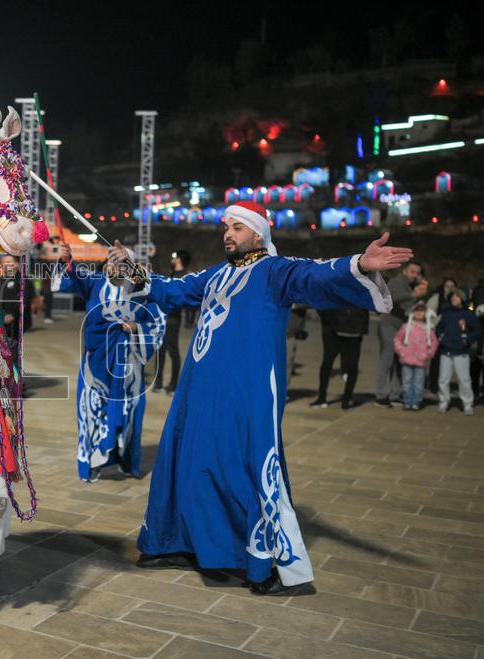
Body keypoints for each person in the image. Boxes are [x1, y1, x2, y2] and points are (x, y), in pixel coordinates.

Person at [126, 200, 411, 595]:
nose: (228, 234)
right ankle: (174, 541)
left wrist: (359, 264)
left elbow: (317, 275)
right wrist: (131, 269)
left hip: (248, 391)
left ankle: (268, 562)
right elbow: (171, 290)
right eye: (225, 227)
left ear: (257, 232)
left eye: (237, 228)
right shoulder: (215, 275)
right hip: (199, 390)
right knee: (189, 460)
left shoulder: (276, 271)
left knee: (246, 464)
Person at [56, 243, 164, 481]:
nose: (111, 265)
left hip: (128, 371)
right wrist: (65, 261)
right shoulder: (94, 283)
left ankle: (126, 461)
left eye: (117, 261)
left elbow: (158, 325)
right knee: (90, 415)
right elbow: (64, 281)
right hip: (95, 366)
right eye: (109, 260)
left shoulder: (143, 292)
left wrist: (136, 328)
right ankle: (91, 463)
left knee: (129, 418)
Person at [376, 261, 427, 407]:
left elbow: (416, 306)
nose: (415, 275)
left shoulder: (414, 286)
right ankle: (380, 395)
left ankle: (395, 394)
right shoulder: (396, 282)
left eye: (417, 273)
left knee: (399, 361)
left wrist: (420, 291)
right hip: (389, 325)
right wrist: (412, 294)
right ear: (405, 271)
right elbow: (393, 298)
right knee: (387, 359)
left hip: (404, 328)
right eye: (412, 272)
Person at [311, 306, 369, 410]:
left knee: (334, 364)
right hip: (343, 326)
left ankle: (342, 400)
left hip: (349, 327)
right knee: (331, 364)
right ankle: (341, 400)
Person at [436, 289, 481, 415]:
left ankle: (467, 403)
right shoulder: (446, 313)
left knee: (464, 380)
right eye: (452, 297)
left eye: (457, 296)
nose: (454, 299)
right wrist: (440, 337)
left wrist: (467, 340)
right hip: (446, 351)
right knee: (443, 379)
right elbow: (439, 328)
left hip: (461, 352)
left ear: (462, 298)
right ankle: (443, 401)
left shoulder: (468, 314)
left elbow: (477, 330)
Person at [153, 250, 189, 394]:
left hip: (173, 319)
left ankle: (173, 385)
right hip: (163, 318)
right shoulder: (172, 273)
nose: (172, 259)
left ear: (179, 259)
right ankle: (158, 383)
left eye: (174, 257)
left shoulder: (184, 277)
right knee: (160, 350)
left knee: (173, 351)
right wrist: (154, 257)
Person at [393, 301, 437, 411]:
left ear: (426, 313)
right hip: (407, 359)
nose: (419, 313)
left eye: (422, 311)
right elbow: (397, 339)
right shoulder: (406, 326)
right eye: (417, 310)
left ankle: (416, 401)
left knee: (419, 383)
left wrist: (428, 354)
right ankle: (407, 401)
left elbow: (434, 342)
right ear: (413, 312)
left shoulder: (429, 328)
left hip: (422, 361)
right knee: (407, 381)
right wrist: (402, 351)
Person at [0, 254, 36, 363]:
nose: (7, 265)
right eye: (5, 262)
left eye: (10, 262)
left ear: (16, 264)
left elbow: (23, 301)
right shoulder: (0, 280)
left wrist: (11, 315)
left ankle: (14, 376)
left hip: (14, 323)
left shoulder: (23, 281)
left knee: (11, 352)